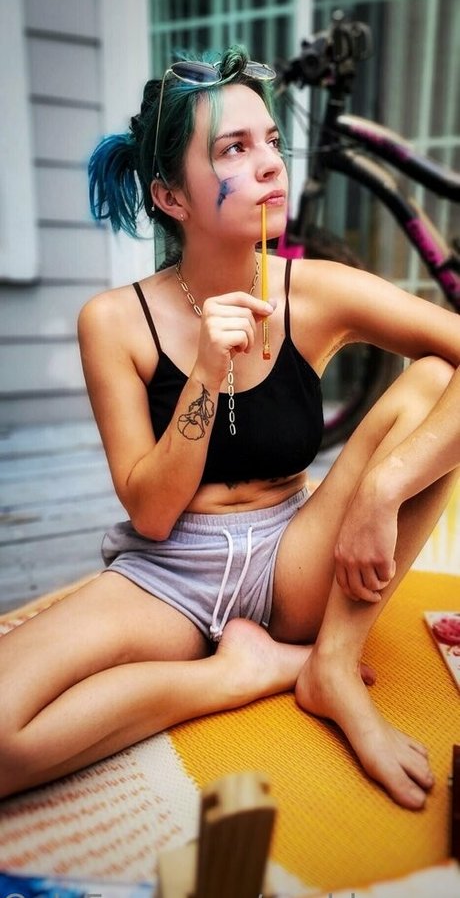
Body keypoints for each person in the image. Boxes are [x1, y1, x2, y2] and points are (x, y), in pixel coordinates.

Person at [0, 44, 459, 810]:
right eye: (234, 149)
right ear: (170, 196)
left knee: (437, 384)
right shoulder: (114, 322)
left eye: (271, 141)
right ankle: (243, 672)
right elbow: (151, 512)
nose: (272, 164)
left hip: (294, 561)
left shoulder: (315, 292)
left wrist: (383, 489)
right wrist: (208, 370)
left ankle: (331, 664)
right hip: (168, 574)